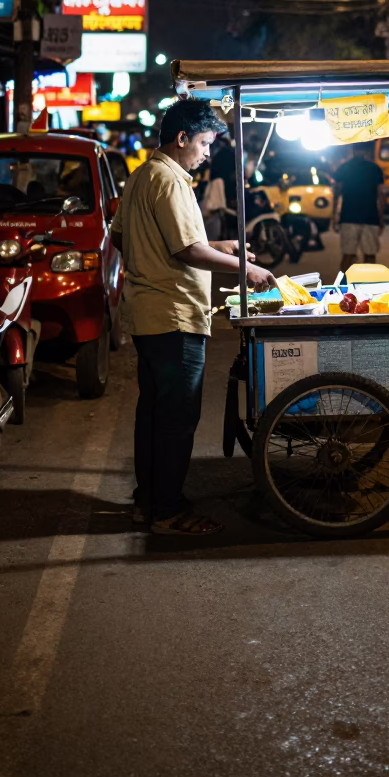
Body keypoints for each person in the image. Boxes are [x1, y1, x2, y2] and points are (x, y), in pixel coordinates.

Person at [111, 99, 277, 536]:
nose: (207, 153)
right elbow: (184, 249)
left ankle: (146, 503)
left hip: (148, 316)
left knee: (154, 415)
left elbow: (123, 236)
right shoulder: (169, 180)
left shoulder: (141, 176)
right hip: (174, 316)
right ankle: (168, 511)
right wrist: (248, 269)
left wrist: (220, 245)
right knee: (177, 419)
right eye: (203, 143)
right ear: (181, 138)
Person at [332, 141, 386, 273]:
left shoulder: (344, 168)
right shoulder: (374, 169)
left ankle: (344, 287)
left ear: (352, 150)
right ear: (367, 151)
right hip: (370, 217)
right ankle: (369, 286)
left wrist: (334, 215)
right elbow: (381, 194)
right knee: (370, 255)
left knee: (348, 255)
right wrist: (381, 217)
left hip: (348, 217)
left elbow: (337, 193)